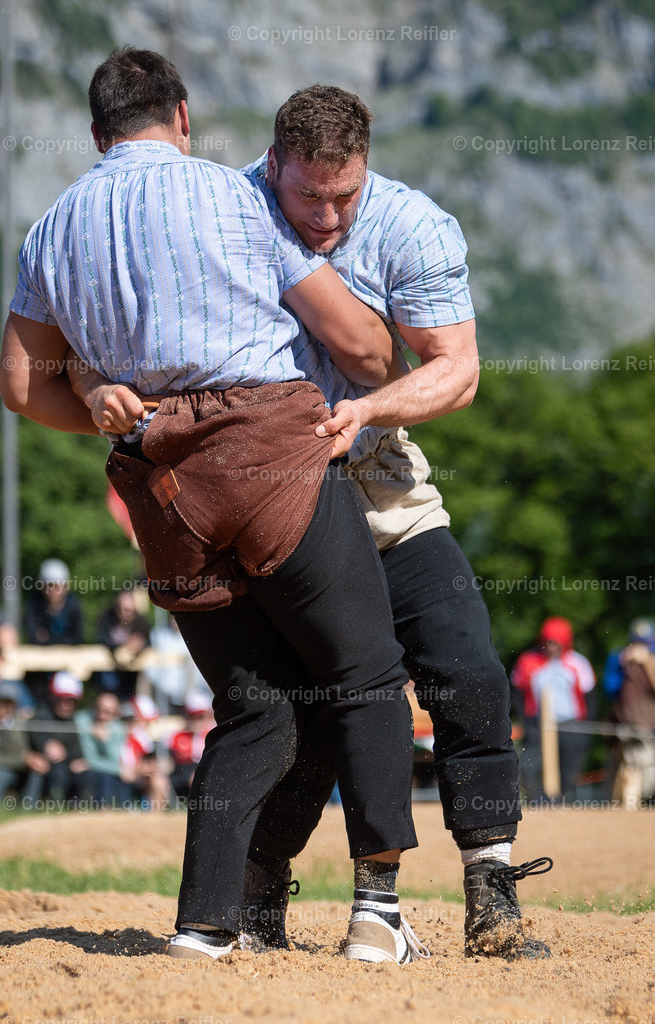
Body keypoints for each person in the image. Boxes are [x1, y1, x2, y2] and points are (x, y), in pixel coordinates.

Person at [0, 48, 422, 965]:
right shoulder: (233, 197)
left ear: (97, 132)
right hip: (270, 453)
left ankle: (203, 927)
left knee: (252, 706)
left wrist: (108, 402)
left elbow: (22, 388)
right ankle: (378, 912)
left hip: (160, 484)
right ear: (182, 119)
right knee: (366, 674)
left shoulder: (49, 229)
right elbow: (363, 349)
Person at [236, 85, 552, 961]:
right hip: (278, 495)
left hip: (385, 483)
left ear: (366, 166)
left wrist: (370, 411)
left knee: (470, 671)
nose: (329, 214)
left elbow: (457, 370)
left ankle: (491, 889)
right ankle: (262, 883)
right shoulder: (229, 211)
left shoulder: (413, 226)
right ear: (275, 166)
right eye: (310, 196)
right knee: (311, 708)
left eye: (347, 194)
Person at [512, 616, 596, 803]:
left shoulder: (578, 663)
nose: (551, 647)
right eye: (548, 642)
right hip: (537, 725)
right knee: (527, 769)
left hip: (571, 726)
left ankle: (564, 810)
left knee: (568, 776)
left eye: (556, 642)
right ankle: (538, 804)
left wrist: (585, 731)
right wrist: (525, 722)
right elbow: (517, 694)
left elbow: (590, 700)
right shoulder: (528, 661)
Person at [603, 618, 655, 806]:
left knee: (645, 779)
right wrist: (623, 665)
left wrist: (648, 662)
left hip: (648, 730)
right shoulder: (619, 659)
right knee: (624, 774)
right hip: (622, 728)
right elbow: (610, 689)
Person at [0, 682, 48, 806]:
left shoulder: (17, 720)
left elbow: (23, 748)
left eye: (7, 703)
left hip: (18, 767)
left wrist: (33, 759)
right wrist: (23, 759)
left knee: (37, 771)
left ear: (14, 705)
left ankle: (28, 810)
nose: (2, 707)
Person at [28, 671, 90, 804]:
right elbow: (49, 749)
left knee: (86, 774)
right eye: (63, 699)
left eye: (72, 701)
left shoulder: (73, 721)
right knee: (59, 771)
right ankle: (53, 807)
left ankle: (81, 811)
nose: (67, 705)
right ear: (53, 697)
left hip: (67, 765)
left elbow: (76, 752)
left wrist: (72, 758)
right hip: (44, 767)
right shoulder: (41, 716)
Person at [74, 691, 127, 806]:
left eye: (107, 712)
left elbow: (115, 763)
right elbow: (88, 754)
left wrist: (105, 742)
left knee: (109, 777)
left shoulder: (118, 728)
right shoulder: (82, 720)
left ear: (114, 714)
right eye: (99, 709)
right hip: (91, 774)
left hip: (106, 774)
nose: (101, 714)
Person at [120, 694, 171, 809]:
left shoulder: (142, 737)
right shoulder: (129, 734)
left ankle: (154, 818)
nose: (148, 725)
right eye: (145, 721)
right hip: (122, 775)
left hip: (138, 777)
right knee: (159, 780)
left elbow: (150, 762)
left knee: (159, 780)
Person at [97, 591, 151, 699]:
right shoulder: (107, 618)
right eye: (120, 609)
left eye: (128, 610)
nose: (124, 613)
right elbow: (100, 641)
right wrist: (122, 645)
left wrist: (141, 644)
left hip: (131, 675)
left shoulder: (141, 622)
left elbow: (150, 644)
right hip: (110, 672)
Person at [167, 692, 215, 804]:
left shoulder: (213, 735)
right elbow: (168, 761)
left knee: (199, 777)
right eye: (192, 716)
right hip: (180, 772)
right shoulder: (175, 736)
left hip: (204, 771)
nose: (197, 721)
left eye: (200, 717)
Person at [25, 559, 84, 647]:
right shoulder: (34, 605)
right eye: (49, 586)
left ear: (66, 587)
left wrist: (47, 638)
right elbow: (33, 637)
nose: (53, 591)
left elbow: (78, 639)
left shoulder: (74, 606)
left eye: (57, 586)